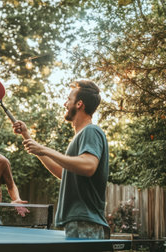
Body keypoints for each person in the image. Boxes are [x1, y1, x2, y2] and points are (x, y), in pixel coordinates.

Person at [13, 80, 109, 239]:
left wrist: (44, 149)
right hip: (77, 221)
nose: (65, 104)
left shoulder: (91, 131)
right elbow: (63, 172)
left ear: (79, 104)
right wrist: (28, 137)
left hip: (84, 221)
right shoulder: (80, 137)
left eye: (68, 100)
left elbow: (89, 166)